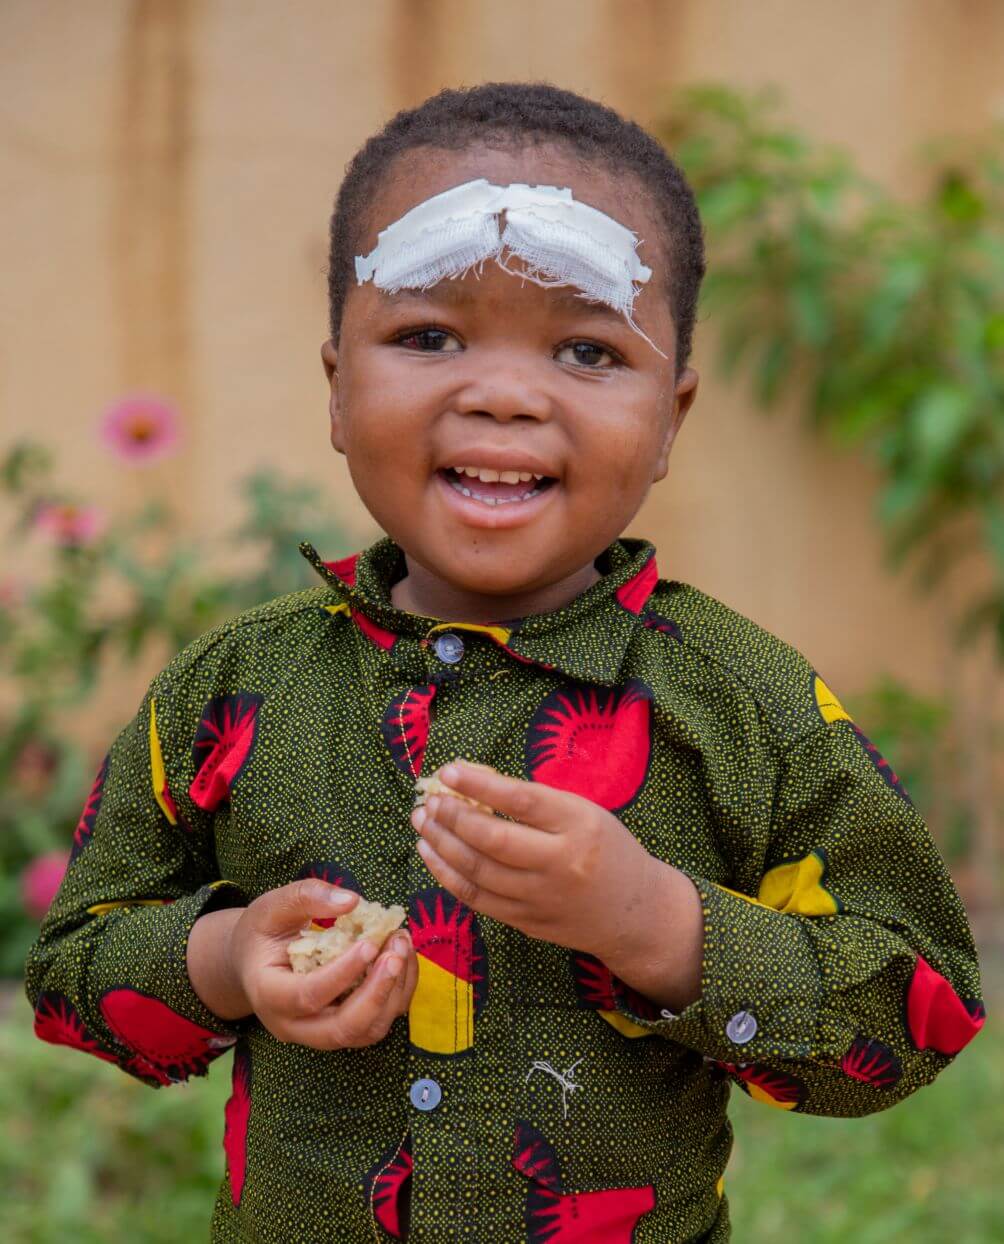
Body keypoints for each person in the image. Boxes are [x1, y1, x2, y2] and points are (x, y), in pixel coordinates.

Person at [25, 82, 985, 1243]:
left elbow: (916, 1015)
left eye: (586, 348)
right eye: (427, 336)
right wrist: (224, 956)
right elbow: (74, 974)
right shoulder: (231, 690)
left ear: (670, 416)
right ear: (335, 385)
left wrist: (655, 922)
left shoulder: (745, 704)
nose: (502, 394)